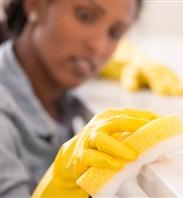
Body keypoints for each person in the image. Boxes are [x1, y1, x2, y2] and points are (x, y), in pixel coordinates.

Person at [0, 0, 143, 197]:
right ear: (35, 5)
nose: (98, 46)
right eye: (84, 16)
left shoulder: (57, 97)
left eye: (114, 33)